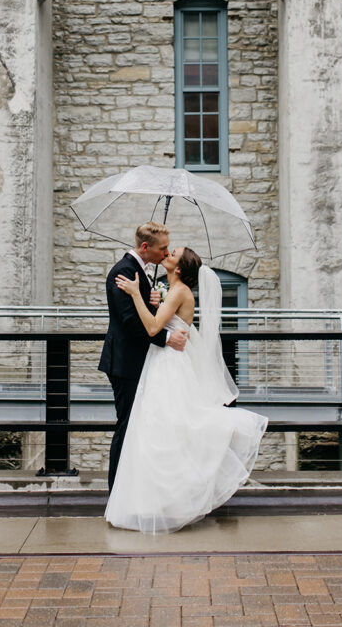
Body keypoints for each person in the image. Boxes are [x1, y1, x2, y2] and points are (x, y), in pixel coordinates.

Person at [104, 245, 268, 533]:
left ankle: (166, 500)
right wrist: (154, 300)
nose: (167, 253)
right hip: (162, 362)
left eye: (173, 253)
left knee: (167, 427)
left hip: (168, 365)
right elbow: (163, 319)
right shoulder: (173, 290)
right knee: (161, 429)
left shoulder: (179, 291)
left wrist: (135, 295)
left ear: (178, 268)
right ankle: (157, 501)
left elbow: (154, 328)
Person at [98, 222, 189, 492]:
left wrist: (151, 301)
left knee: (139, 425)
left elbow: (139, 314)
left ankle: (134, 489)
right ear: (146, 247)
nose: (166, 253)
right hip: (126, 363)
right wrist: (165, 338)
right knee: (126, 426)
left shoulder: (140, 270)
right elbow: (128, 321)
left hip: (139, 361)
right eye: (162, 248)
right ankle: (116, 493)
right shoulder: (123, 272)